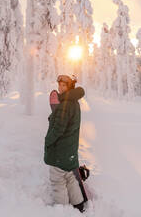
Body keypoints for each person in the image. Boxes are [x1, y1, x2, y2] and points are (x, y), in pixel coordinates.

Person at [44, 75, 88, 213]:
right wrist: (54, 117)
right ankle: (78, 205)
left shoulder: (65, 104)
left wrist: (48, 140)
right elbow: (67, 123)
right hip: (69, 150)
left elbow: (58, 129)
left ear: (69, 87)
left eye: (64, 85)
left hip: (60, 151)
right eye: (60, 85)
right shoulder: (74, 103)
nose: (60, 88)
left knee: (58, 180)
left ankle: (62, 210)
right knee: (70, 178)